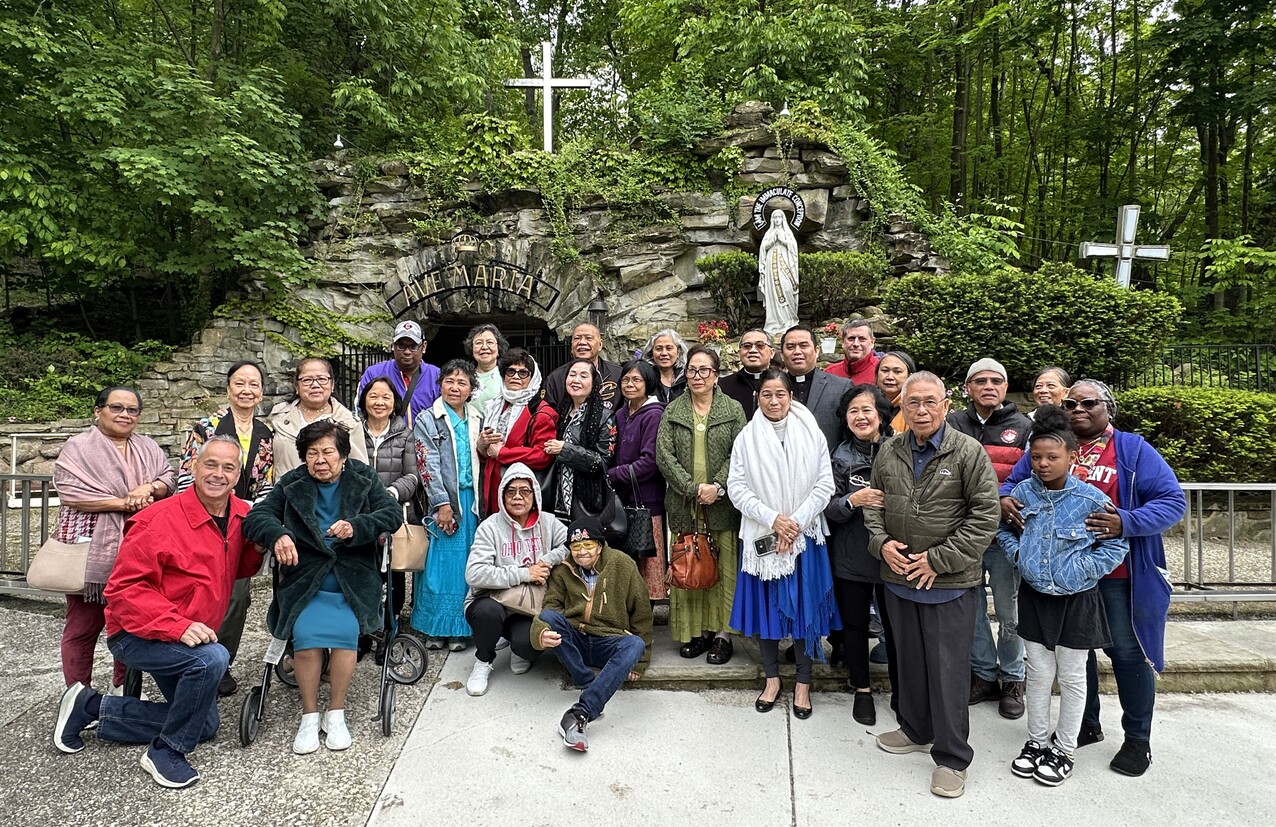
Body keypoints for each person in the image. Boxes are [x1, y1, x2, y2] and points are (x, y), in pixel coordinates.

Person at [53, 437, 265, 788]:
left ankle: (90, 707)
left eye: (229, 467)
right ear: (194, 466)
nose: (218, 474)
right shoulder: (157, 520)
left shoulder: (240, 515)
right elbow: (122, 591)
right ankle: (165, 751)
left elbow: (233, 567)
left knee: (206, 726)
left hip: (186, 637)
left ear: (238, 474)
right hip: (137, 634)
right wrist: (178, 626)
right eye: (210, 464)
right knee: (213, 658)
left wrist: (256, 548)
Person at [1000, 379, 1186, 778]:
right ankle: (1085, 725)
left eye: (1089, 402)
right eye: (1071, 402)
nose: (1078, 408)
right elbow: (1014, 483)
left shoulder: (1132, 450)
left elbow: (1173, 501)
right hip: (1056, 577)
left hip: (1118, 576)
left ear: (1108, 407)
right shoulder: (1050, 445)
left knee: (1127, 654)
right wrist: (1004, 499)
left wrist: (1127, 521)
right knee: (1074, 659)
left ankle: (1138, 740)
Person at [865, 371, 1000, 799]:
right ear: (901, 408)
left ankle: (952, 758)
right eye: (913, 403)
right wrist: (880, 543)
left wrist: (937, 561)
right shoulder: (889, 450)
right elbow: (874, 503)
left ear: (945, 405)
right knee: (910, 664)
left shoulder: (967, 451)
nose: (921, 410)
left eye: (929, 402)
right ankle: (915, 728)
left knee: (948, 672)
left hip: (949, 583)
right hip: (898, 578)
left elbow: (985, 516)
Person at [243, 420, 401, 755]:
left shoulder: (363, 478)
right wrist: (278, 534)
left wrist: (357, 526)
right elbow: (257, 517)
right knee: (307, 641)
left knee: (346, 637)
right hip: (305, 578)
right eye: (312, 453)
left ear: (343, 454)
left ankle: (337, 712)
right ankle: (309, 715)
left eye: (328, 451)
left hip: (352, 577)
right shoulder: (292, 483)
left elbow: (390, 515)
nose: (320, 459)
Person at [997, 405, 1129, 787]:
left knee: (1072, 677)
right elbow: (1003, 530)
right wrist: (1018, 554)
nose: (1042, 464)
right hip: (1035, 597)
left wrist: (1081, 570)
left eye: (1052, 457)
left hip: (1077, 600)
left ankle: (1064, 748)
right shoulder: (1022, 493)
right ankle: (1036, 741)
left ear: (1072, 458)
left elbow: (1116, 546)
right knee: (1037, 674)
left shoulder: (1091, 500)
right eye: (1035, 457)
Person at [728, 369, 839, 719]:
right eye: (766, 394)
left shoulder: (812, 433)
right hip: (763, 536)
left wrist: (795, 523)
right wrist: (773, 519)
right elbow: (737, 487)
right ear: (756, 398)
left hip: (805, 536)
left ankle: (804, 683)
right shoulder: (746, 438)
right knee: (768, 613)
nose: (774, 401)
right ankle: (773, 679)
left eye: (781, 394)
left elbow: (825, 483)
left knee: (806, 611)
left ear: (791, 397)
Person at [53, 386, 175, 693]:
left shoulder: (147, 446)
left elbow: (169, 478)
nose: (125, 415)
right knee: (83, 627)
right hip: (90, 546)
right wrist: (124, 504)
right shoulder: (79, 447)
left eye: (132, 410)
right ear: (98, 411)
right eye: (116, 408)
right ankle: (78, 696)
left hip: (139, 547)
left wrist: (149, 487)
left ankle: (124, 690)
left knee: (130, 624)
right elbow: (71, 492)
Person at [175, 360, 274, 697]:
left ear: (261, 391)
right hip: (202, 519)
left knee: (238, 594)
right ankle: (188, 657)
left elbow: (266, 485)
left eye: (254, 385)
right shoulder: (206, 426)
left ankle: (221, 661)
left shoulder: (265, 434)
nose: (247, 391)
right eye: (240, 383)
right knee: (198, 589)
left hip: (240, 522)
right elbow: (187, 474)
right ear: (228, 388)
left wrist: (254, 517)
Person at [947, 357, 1033, 719]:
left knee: (1009, 609)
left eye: (996, 380)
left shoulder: (1024, 427)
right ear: (968, 387)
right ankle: (982, 672)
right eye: (980, 381)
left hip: (1004, 536)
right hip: (963, 534)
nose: (988, 386)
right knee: (973, 609)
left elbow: (1031, 478)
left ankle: (1014, 676)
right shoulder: (952, 423)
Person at [656, 345, 747, 664]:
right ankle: (697, 633)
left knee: (721, 570)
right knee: (688, 567)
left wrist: (717, 486)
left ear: (716, 374)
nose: (697, 376)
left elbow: (740, 453)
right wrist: (692, 488)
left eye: (704, 370)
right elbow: (663, 455)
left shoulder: (733, 409)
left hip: (722, 507)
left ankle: (722, 635)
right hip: (684, 506)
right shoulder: (674, 409)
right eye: (692, 370)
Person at [531, 517, 653, 752]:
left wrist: (641, 661)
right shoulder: (563, 569)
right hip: (576, 639)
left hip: (608, 640)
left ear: (600, 545)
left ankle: (582, 711)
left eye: (588, 545)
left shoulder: (622, 564)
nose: (582, 552)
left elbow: (642, 613)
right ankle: (586, 680)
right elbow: (551, 606)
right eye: (576, 547)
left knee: (635, 644)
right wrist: (541, 633)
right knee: (548, 618)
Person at [462, 464, 569, 696]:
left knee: (529, 647)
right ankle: (483, 660)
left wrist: (548, 560)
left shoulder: (548, 522)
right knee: (487, 614)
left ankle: (515, 645)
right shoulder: (489, 527)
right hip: (492, 601)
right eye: (511, 491)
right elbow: (474, 573)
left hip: (528, 607)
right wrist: (524, 573)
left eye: (525, 491)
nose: (518, 497)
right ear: (502, 495)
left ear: (535, 495)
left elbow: (570, 545)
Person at [824, 384, 897, 725]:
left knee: (896, 628)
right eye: (853, 411)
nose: (861, 416)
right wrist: (854, 501)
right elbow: (829, 508)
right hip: (851, 556)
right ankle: (862, 689)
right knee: (854, 625)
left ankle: (902, 689)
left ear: (881, 414)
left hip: (892, 555)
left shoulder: (900, 451)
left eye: (867, 410)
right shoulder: (839, 457)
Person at [412, 360, 483, 651]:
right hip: (444, 500)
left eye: (462, 382)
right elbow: (426, 464)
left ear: (471, 389)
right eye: (450, 381)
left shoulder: (477, 417)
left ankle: (460, 628)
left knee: (466, 564)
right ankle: (434, 628)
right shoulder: (428, 419)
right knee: (438, 566)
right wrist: (441, 504)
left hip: (472, 500)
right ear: (440, 384)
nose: (455, 387)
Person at [357, 377, 420, 620]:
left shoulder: (405, 435)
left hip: (392, 512)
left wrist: (390, 493)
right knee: (362, 571)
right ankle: (363, 630)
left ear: (395, 404)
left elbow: (412, 476)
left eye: (386, 397)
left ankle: (390, 627)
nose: (379, 402)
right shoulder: (352, 432)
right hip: (359, 512)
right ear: (364, 400)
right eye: (373, 396)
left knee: (393, 573)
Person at [607, 360, 668, 599]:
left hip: (646, 502)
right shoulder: (621, 413)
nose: (629, 385)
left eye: (636, 380)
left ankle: (645, 624)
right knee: (625, 564)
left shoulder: (653, 415)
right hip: (621, 501)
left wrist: (612, 475)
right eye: (625, 380)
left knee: (646, 564)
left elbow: (649, 462)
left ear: (648, 383)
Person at [477, 348, 559, 517]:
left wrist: (503, 453)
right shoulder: (494, 406)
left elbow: (542, 455)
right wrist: (481, 447)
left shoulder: (541, 412)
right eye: (511, 371)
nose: (515, 377)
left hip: (522, 494)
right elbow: (490, 453)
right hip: (493, 487)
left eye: (523, 373)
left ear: (532, 377)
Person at [543, 358, 615, 523]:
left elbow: (602, 462)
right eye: (572, 375)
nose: (576, 380)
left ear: (594, 382)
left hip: (587, 498)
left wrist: (565, 450)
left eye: (583, 376)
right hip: (555, 496)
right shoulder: (559, 413)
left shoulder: (605, 416)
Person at [270, 357, 368, 474]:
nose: (315, 385)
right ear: (297, 386)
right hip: (285, 490)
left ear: (332, 385)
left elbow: (360, 471)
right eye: (307, 380)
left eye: (322, 379)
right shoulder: (278, 416)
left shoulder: (349, 423)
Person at [355, 320, 441, 428]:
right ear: (393, 346)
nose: (407, 352)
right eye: (401, 345)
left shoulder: (436, 375)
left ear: (423, 347)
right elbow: (361, 411)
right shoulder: (374, 373)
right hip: (386, 441)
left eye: (413, 346)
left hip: (425, 442)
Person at [780, 325, 852, 450]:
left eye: (803, 346)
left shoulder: (841, 387)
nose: (797, 352)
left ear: (817, 350)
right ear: (782, 355)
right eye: (790, 347)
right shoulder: (773, 389)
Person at [543, 322, 623, 409]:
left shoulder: (618, 375)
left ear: (600, 345)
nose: (582, 342)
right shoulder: (555, 378)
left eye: (589, 338)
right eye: (577, 338)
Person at [759, 209, 800, 336]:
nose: (777, 220)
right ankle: (775, 323)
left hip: (785, 266)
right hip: (771, 268)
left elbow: (793, 249)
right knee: (773, 294)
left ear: (783, 219)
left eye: (779, 217)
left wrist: (782, 240)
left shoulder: (787, 233)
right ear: (772, 220)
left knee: (787, 288)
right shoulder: (768, 233)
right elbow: (762, 249)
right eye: (775, 218)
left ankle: (789, 321)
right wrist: (772, 241)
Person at [719, 327, 775, 419]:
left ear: (772, 353)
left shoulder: (783, 383)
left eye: (760, 345)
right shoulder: (723, 386)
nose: (752, 350)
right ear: (739, 353)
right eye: (747, 346)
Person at [466, 323, 509, 412]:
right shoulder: (465, 375)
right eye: (479, 343)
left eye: (490, 342)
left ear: (498, 349)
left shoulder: (508, 374)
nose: (484, 347)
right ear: (472, 349)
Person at [825, 320, 881, 385]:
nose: (856, 344)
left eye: (862, 339)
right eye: (851, 338)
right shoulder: (830, 373)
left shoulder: (880, 372)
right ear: (842, 342)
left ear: (872, 342)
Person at [641, 328, 688, 403]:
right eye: (659, 349)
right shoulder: (645, 377)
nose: (664, 353)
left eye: (669, 348)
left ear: (678, 352)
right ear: (651, 353)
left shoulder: (687, 377)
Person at [876, 350, 915, 435]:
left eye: (897, 372)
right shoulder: (870, 403)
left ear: (909, 376)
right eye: (885, 370)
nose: (890, 377)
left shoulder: (915, 408)